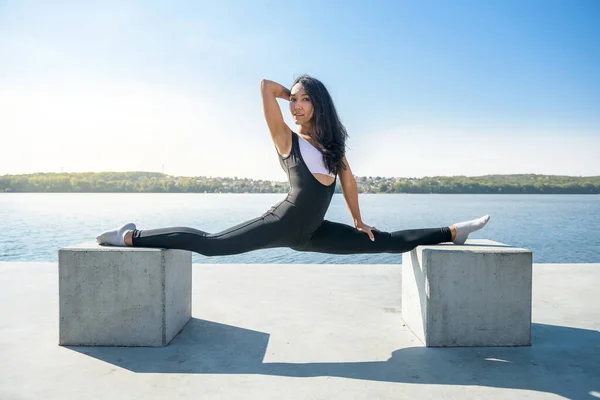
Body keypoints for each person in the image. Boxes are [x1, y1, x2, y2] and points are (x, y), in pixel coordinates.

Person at [96, 75, 490, 255]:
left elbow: (350, 184)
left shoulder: (333, 147)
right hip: (280, 222)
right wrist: (290, 93)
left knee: (383, 242)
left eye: (304, 100)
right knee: (211, 245)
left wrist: (357, 221)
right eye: (294, 101)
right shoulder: (288, 139)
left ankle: (452, 231)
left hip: (314, 234)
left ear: (319, 104)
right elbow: (265, 86)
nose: (296, 105)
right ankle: (130, 236)